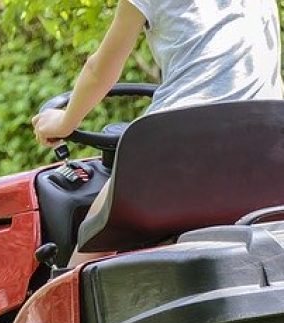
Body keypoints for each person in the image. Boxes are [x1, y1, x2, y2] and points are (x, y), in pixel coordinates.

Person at [32, 0, 283, 267]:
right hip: (268, 148)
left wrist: (64, 122)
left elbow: (100, 70)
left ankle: (66, 295)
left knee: (95, 238)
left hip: (180, 147)